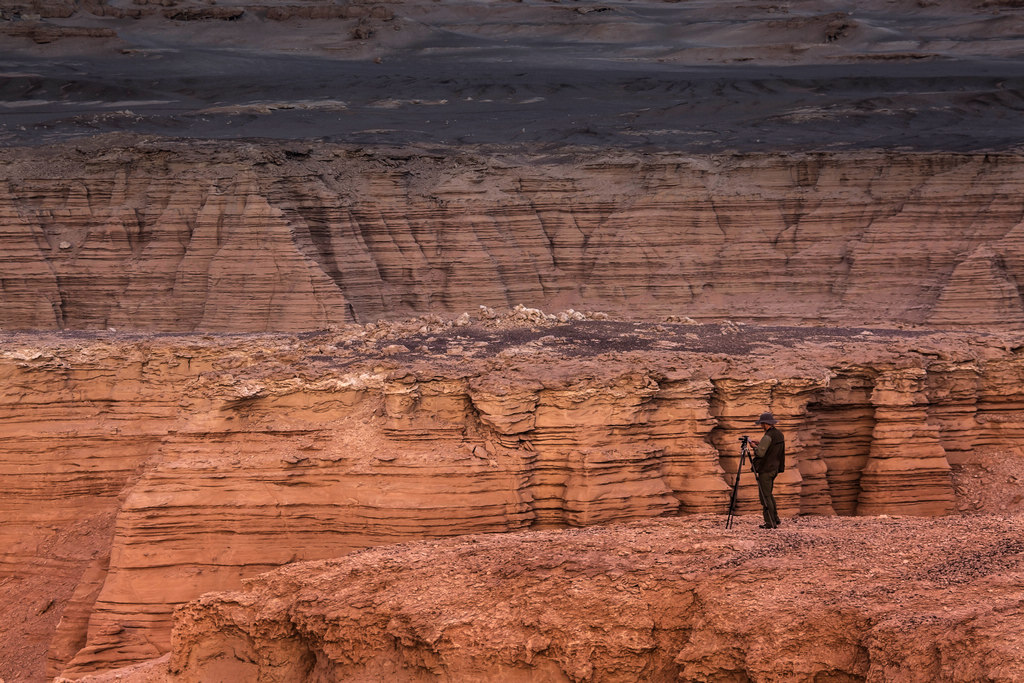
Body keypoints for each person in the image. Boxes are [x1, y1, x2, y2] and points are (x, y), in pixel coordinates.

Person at [748, 412, 784, 529]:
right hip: (775, 468)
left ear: (765, 424)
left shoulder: (768, 436)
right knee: (769, 494)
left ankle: (770, 522)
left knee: (765, 496)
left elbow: (760, 453)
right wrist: (761, 444)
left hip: (766, 469)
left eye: (761, 424)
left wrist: (754, 447)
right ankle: (775, 519)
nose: (761, 426)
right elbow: (772, 448)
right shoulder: (778, 434)